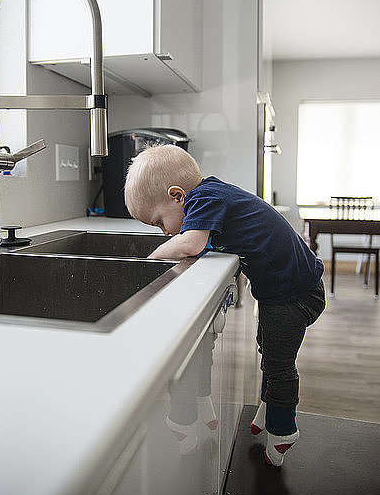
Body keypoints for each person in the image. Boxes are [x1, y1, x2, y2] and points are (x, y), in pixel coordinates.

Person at [124, 144, 326, 466]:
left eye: (160, 222)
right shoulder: (211, 198)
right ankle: (267, 408)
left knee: (279, 362)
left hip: (296, 292)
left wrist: (153, 258)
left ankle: (283, 431)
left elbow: (191, 243)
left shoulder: (204, 198)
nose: (164, 231)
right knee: (268, 347)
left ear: (178, 196)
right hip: (286, 288)